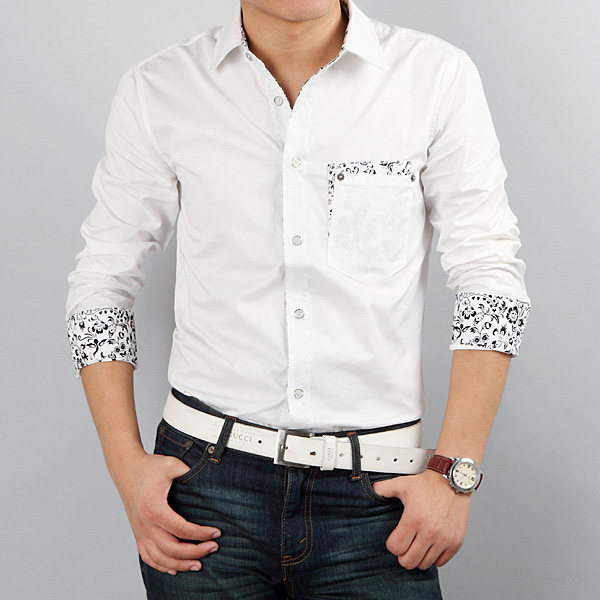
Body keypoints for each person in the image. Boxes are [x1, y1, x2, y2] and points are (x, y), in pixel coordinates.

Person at [65, 0, 531, 598]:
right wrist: (125, 466)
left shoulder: (434, 75)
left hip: (379, 494)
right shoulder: (161, 86)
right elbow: (101, 281)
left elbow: (489, 276)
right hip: (203, 488)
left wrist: (454, 472)